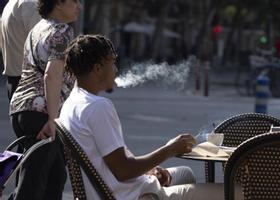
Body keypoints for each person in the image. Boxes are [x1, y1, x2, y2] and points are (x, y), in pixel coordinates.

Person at [59, 34, 226, 200]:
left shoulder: (71, 103)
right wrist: (169, 150)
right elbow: (123, 170)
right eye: (112, 63)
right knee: (236, 192)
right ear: (97, 68)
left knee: (185, 172)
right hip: (135, 196)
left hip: (118, 188)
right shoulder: (97, 107)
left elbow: (112, 162)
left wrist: (148, 171)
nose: (116, 70)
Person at [9, 0, 81, 199]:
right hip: (41, 113)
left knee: (55, 176)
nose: (79, 5)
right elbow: (52, 74)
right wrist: (52, 118)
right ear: (58, 3)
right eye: (74, 1)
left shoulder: (38, 29)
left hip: (21, 109)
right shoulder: (63, 31)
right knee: (34, 181)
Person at [1, 0, 41, 101]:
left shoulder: (10, 4)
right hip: (31, 85)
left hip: (15, 80)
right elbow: (41, 48)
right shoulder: (31, 5)